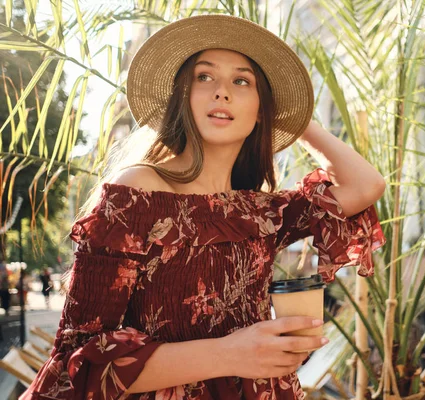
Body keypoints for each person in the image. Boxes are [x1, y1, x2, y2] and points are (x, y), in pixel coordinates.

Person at [20, 14, 386, 400]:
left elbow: (366, 185)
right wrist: (230, 354)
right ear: (183, 95)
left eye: (242, 82)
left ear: (261, 110)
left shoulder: (259, 213)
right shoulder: (136, 193)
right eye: (205, 77)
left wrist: (298, 119)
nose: (222, 92)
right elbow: (78, 362)